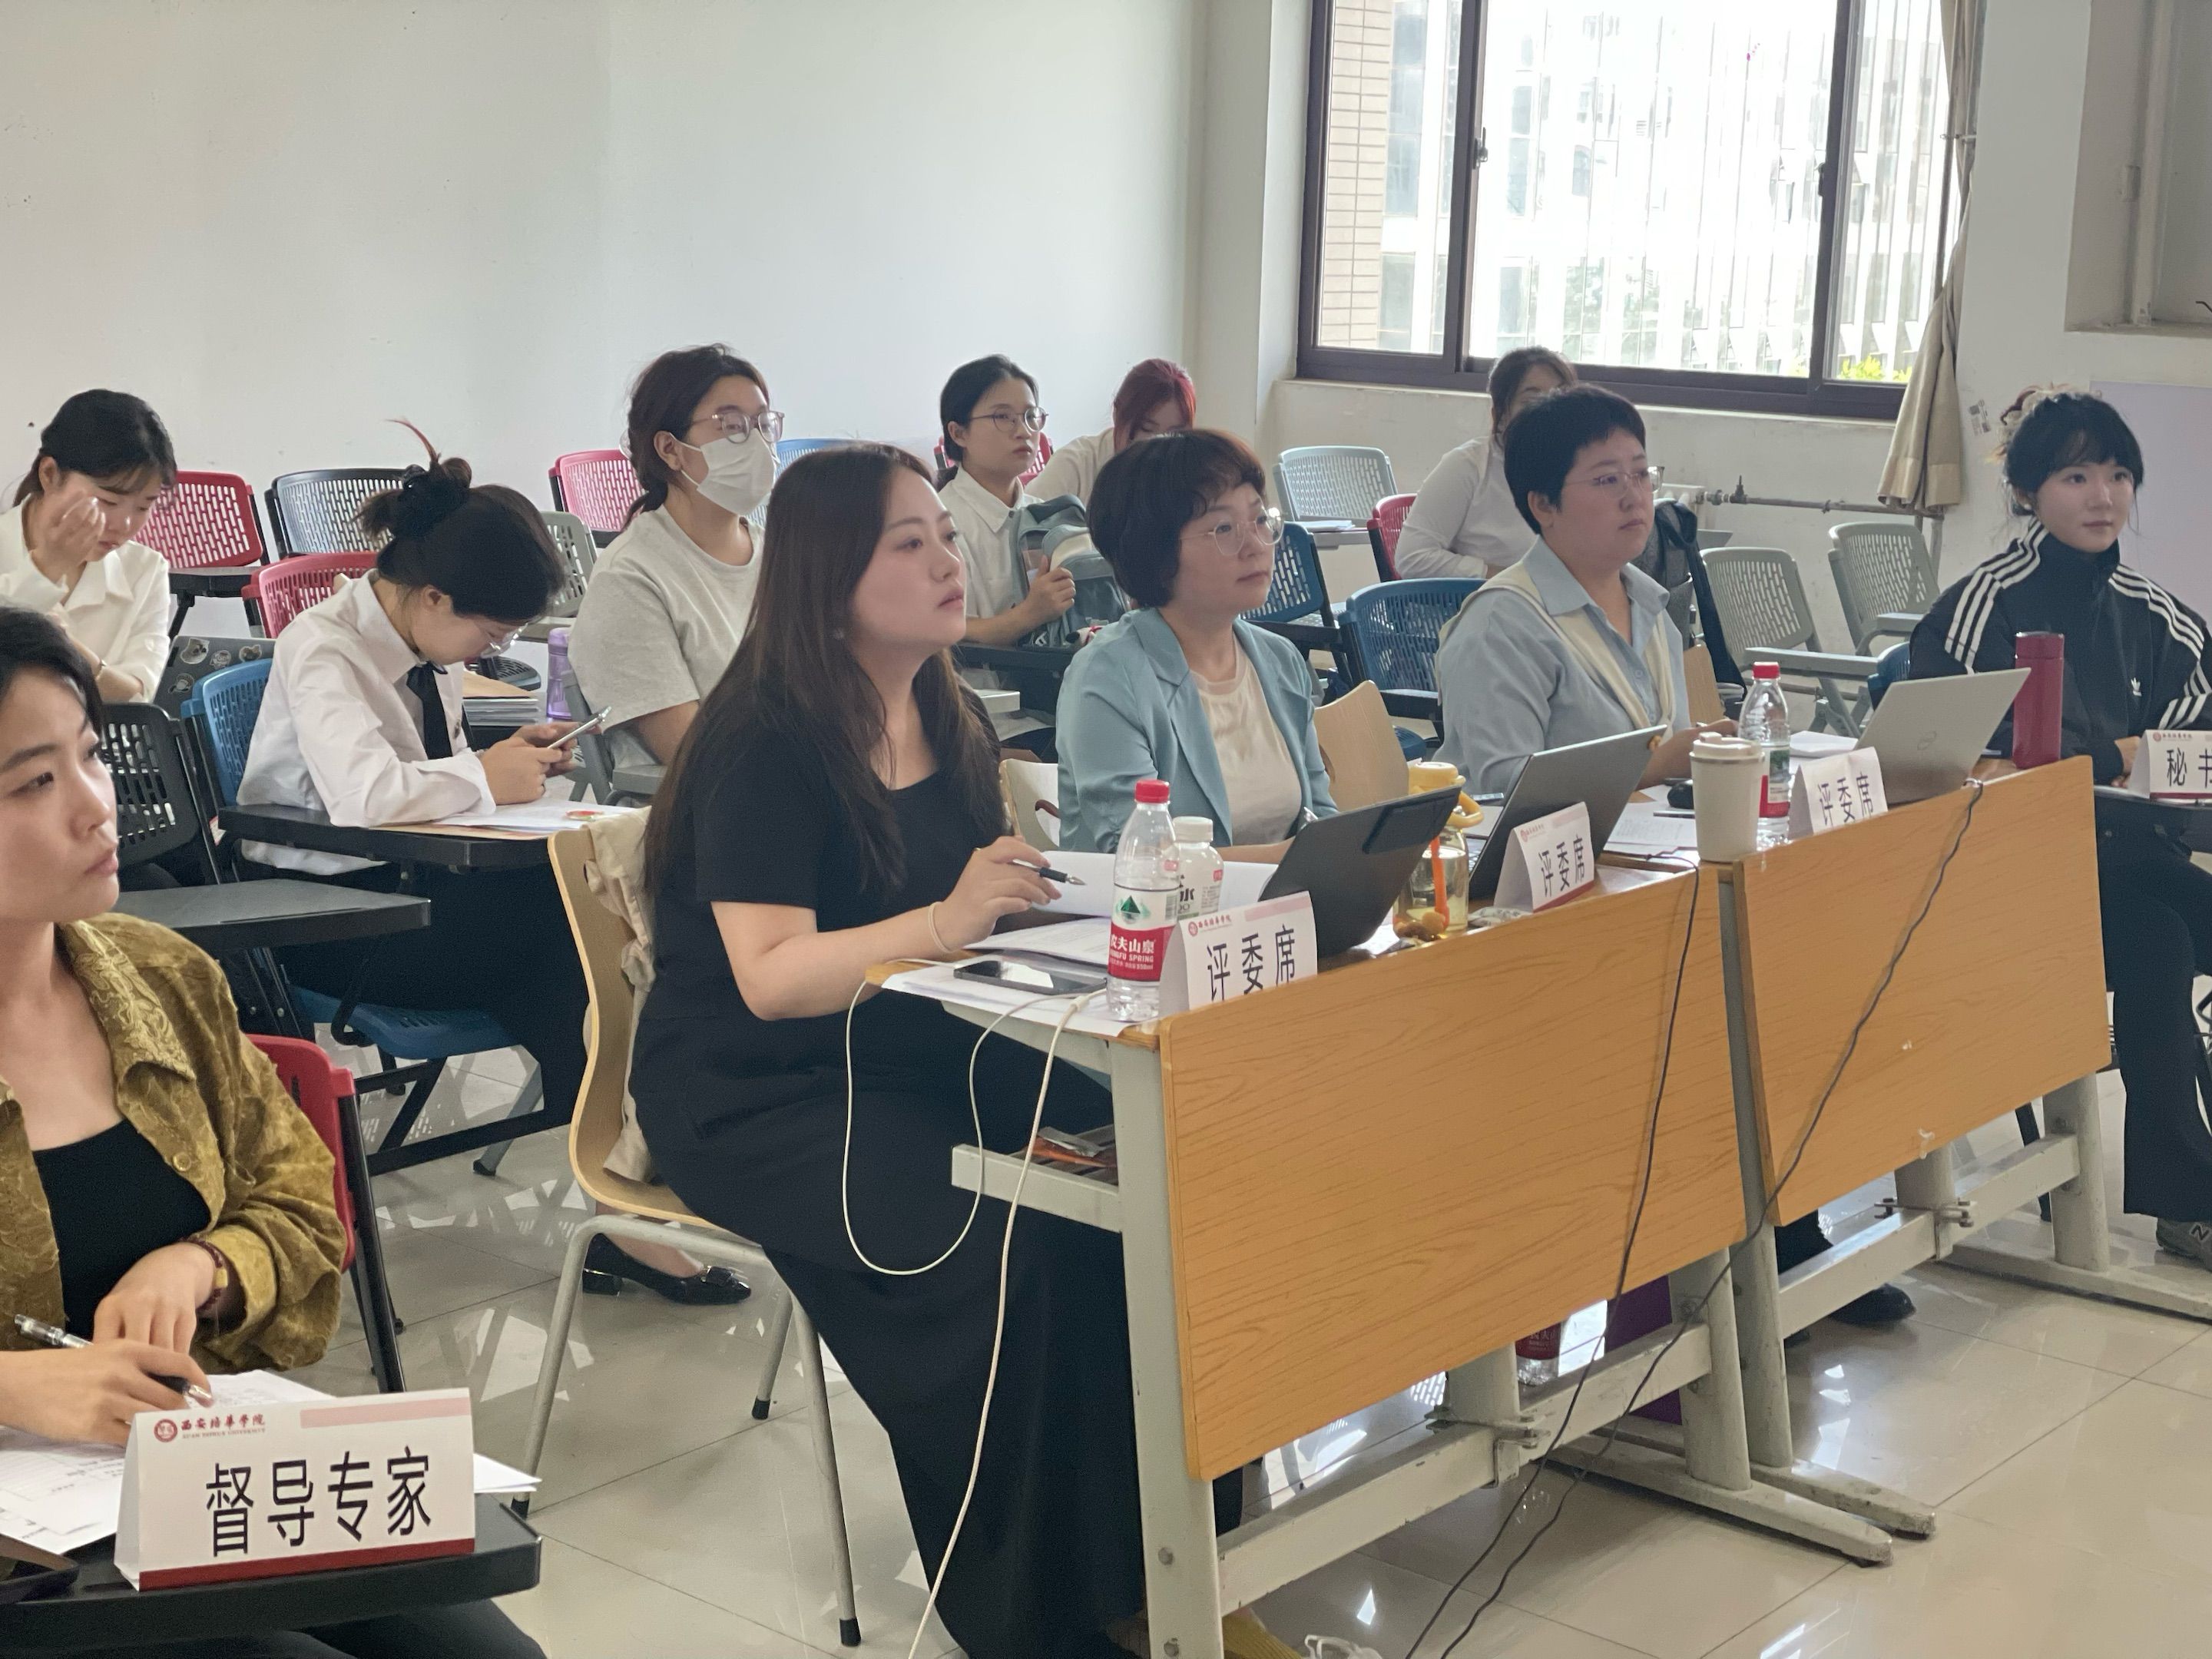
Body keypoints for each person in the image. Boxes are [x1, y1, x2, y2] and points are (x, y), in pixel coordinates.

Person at [628, 444, 1294, 1659]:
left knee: (1166, 1194)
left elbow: (977, 906)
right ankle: (1046, 1615)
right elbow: (770, 979)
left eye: (945, 535)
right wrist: (947, 922)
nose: (950, 563)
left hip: (929, 1040)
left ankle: (1180, 1566)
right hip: (760, 1092)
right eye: (911, 544)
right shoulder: (763, 741)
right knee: (1018, 1250)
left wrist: (1066, 907)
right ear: (830, 578)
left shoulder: (947, 711)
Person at [0, 608, 545, 1659]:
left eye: (91, 757)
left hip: (186, 1478)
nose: (98, 806)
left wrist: (203, 1264)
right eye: (33, 784)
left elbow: (300, 1203)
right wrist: (16, 1387)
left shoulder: (162, 978)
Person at [236, 436, 746, 1307]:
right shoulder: (322, 647)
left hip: (424, 884)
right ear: (434, 596)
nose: (490, 650)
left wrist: (508, 756)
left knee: (611, 923)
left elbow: (426, 780)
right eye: (490, 631)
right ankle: (627, 1207)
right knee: (573, 951)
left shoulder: (423, 645)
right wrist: (483, 776)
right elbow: (365, 796)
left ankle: (634, 1195)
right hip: (334, 919)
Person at [1911, 387, 2212, 1267]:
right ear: (2027, 492)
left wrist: (2115, 760)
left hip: (2130, 858)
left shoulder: (2158, 617)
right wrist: (2116, 754)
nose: (2103, 496)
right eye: (2076, 477)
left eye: (2118, 475)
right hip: (2014, 879)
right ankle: (2188, 1205)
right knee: (2155, 945)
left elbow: (2193, 739)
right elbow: (1959, 753)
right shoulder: (1984, 607)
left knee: (2166, 925)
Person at [1055, 430, 1337, 853]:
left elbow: (1320, 815)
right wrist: (1294, 859)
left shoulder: (1279, 659)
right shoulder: (1108, 676)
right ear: (1156, 552)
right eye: (1224, 528)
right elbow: (1140, 856)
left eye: (1260, 520)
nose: (1255, 545)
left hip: (1282, 897)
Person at [1435, 386, 1720, 794]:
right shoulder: (1501, 626)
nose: (1634, 498)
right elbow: (1500, 789)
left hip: (1648, 831)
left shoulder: (1650, 604)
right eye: (1607, 480)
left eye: (1641, 474)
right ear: (1543, 505)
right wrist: (1652, 767)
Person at [568, 345, 777, 770]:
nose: (755, 442)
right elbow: (693, 756)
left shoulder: (782, 554)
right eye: (732, 425)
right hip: (713, 798)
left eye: (763, 424)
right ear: (670, 448)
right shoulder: (630, 577)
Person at [2, 390, 175, 705]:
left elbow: (140, 695)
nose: (124, 525)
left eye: (143, 507)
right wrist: (45, 569)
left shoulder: (144, 570)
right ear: (50, 474)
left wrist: (68, 650)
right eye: (108, 501)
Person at [1395, 347, 1575, 579]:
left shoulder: (1579, 469)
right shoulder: (1468, 466)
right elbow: (1412, 557)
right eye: (1532, 401)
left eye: (1560, 398)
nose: (1548, 411)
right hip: (1487, 598)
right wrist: (1505, 579)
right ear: (1501, 413)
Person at [939, 355, 1074, 648]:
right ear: (959, 433)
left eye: (1030, 416)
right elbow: (939, 628)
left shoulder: (1046, 515)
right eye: (1003, 417)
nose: (1024, 431)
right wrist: (1028, 615)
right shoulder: (942, 523)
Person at [1026, 357, 1197, 505]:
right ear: (1118, 414)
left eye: (1174, 435)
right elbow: (1025, 525)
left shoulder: (1191, 477)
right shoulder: (1076, 465)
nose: (1160, 447)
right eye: (1146, 429)